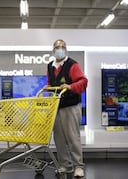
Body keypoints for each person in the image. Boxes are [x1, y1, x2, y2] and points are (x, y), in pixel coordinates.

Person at [46, 39, 88, 177]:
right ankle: (66, 165)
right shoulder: (50, 66)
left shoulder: (72, 65)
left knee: (72, 137)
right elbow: (50, 82)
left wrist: (70, 86)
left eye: (62, 47)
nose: (60, 49)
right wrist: (48, 88)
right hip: (56, 106)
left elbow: (83, 81)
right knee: (59, 138)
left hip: (71, 105)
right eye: (57, 47)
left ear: (66, 49)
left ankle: (78, 166)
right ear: (53, 50)